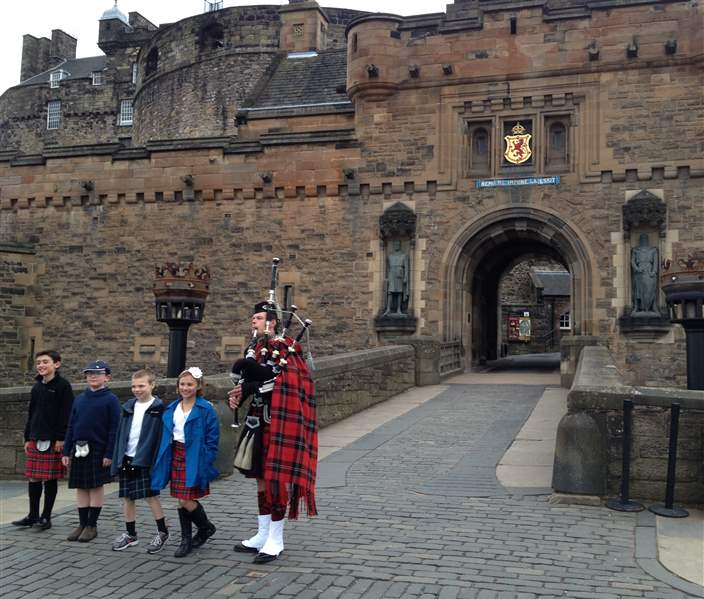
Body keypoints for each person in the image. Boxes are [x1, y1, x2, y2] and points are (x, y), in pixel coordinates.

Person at [228, 301, 318, 564]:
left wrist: (260, 384)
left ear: (272, 322)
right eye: (252, 318)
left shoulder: (289, 347)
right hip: (257, 420)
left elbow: (294, 382)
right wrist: (239, 393)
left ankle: (276, 538)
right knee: (259, 477)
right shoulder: (253, 348)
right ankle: (263, 532)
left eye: (257, 318)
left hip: (278, 421)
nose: (252, 322)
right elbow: (247, 383)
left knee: (276, 478)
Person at [151, 367, 218, 558]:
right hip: (176, 454)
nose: (185, 388)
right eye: (182, 384)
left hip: (195, 456)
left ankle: (202, 530)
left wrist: (207, 459)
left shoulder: (206, 409)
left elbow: (213, 439)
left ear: (198, 386)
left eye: (190, 384)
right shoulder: (172, 408)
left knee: (184, 499)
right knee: (181, 499)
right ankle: (191, 536)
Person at [12, 350, 74, 531]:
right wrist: (27, 437)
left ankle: (46, 517)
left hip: (53, 440)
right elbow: (32, 414)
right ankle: (32, 516)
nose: (40, 365)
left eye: (45, 362)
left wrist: (61, 438)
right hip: (35, 437)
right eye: (38, 362)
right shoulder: (37, 386)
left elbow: (66, 414)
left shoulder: (63, 386)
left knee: (50, 479)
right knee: (33, 478)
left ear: (56, 364)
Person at [110, 369, 169, 553]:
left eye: (141, 386)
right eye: (134, 386)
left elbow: (160, 438)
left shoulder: (159, 409)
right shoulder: (128, 407)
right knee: (127, 497)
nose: (137, 389)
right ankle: (131, 534)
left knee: (151, 496)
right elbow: (121, 435)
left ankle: (162, 532)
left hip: (145, 460)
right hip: (127, 457)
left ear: (152, 385)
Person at [62, 360, 120, 542]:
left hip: (98, 449)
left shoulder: (111, 400)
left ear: (107, 377)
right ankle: (82, 523)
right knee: (80, 486)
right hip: (79, 447)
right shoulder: (79, 399)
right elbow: (71, 426)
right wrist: (66, 451)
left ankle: (92, 525)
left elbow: (114, 429)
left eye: (98, 373)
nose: (93, 376)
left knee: (95, 486)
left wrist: (109, 454)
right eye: (89, 374)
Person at [631, 233, 658, 314]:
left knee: (651, 290)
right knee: (638, 290)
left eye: (645, 238)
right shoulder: (636, 250)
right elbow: (632, 261)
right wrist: (637, 268)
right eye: (642, 238)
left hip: (649, 271)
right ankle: (637, 307)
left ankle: (652, 307)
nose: (643, 240)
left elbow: (656, 262)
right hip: (639, 272)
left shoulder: (653, 250)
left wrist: (653, 271)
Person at [384, 239, 410, 315]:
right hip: (392, 274)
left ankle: (399, 309)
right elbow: (388, 268)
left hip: (400, 274)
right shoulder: (390, 256)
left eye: (398, 244)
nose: (396, 246)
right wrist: (387, 277)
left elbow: (406, 268)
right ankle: (388, 309)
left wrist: (405, 277)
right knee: (390, 292)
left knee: (399, 292)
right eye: (395, 244)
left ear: (400, 245)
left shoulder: (404, 256)